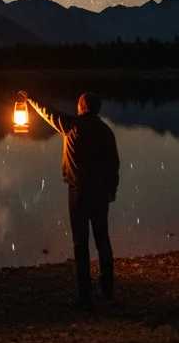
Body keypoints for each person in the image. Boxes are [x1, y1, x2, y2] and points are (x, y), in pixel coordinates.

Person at [20, 90, 120, 305]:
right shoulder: (106, 131)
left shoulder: (72, 126)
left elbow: (49, 113)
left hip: (79, 192)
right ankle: (107, 290)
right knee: (103, 240)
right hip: (101, 192)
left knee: (80, 243)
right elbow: (114, 165)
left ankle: (84, 295)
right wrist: (112, 190)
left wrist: (31, 98)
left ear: (82, 107)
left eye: (79, 104)